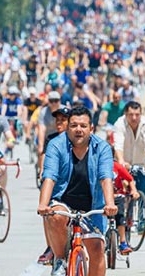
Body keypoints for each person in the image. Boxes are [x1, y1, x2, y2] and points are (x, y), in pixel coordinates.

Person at [37, 106, 117, 276]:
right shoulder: (56, 145)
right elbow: (49, 176)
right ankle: (59, 260)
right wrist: (43, 204)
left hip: (92, 206)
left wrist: (110, 204)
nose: (78, 130)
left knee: (96, 249)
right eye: (73, 126)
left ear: (91, 128)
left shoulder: (102, 148)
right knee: (56, 215)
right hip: (63, 203)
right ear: (67, 127)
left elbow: (106, 177)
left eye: (83, 126)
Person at [36, 106, 71, 266]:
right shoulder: (52, 139)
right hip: (54, 178)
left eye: (63, 120)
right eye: (57, 120)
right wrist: (42, 171)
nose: (59, 122)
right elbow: (44, 155)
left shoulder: (75, 139)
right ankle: (50, 246)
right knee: (47, 209)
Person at [113, 101, 145, 226]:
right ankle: (122, 219)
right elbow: (118, 144)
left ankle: (144, 220)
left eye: (137, 114)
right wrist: (121, 162)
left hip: (141, 163)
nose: (134, 118)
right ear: (125, 114)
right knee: (120, 191)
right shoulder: (119, 124)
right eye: (131, 114)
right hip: (124, 163)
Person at [111, 149, 140, 255]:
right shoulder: (95, 165)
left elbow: (130, 179)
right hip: (102, 197)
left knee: (120, 218)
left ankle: (122, 242)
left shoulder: (117, 166)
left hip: (117, 196)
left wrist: (133, 190)